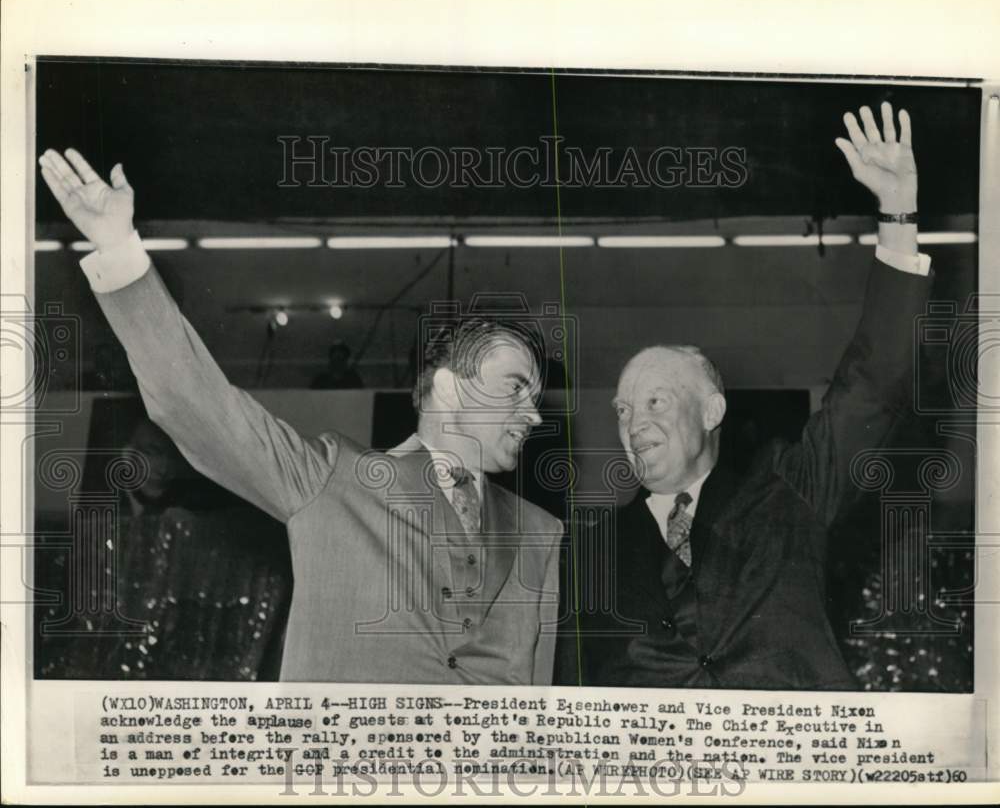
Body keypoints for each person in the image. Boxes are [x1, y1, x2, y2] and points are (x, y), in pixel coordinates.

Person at [38, 149, 562, 684]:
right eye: (516, 389)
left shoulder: (542, 533)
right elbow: (198, 403)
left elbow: (534, 695)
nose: (534, 416)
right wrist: (119, 252)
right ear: (450, 387)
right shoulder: (331, 481)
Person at [556, 103, 934, 689]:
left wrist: (897, 212)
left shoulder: (791, 490)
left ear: (712, 411)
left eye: (655, 401)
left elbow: (874, 385)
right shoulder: (588, 552)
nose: (634, 422)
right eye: (624, 409)